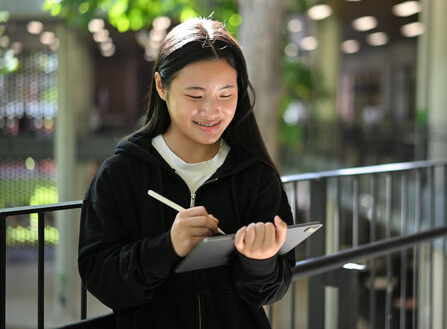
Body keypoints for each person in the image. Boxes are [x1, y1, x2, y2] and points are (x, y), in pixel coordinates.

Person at [78, 17, 295, 328]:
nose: (211, 111)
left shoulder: (255, 175)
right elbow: (100, 277)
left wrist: (260, 262)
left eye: (225, 95)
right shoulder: (121, 173)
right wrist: (167, 247)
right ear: (161, 87)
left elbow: (272, 289)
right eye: (195, 96)